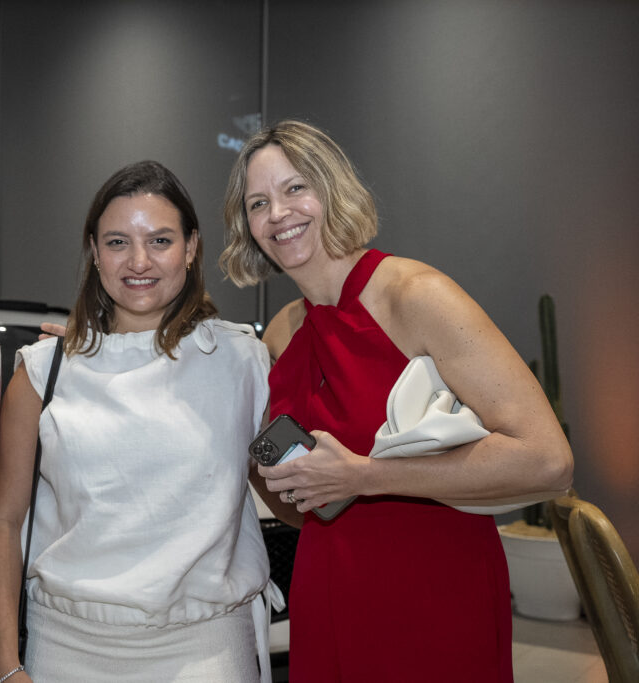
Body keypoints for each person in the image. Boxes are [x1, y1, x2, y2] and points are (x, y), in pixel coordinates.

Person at [220, 120, 574, 682]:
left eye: (295, 188)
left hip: (434, 592)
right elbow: (301, 506)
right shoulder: (283, 334)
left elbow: (548, 461)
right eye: (258, 203)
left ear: (333, 189)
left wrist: (363, 476)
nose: (278, 213)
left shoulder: (417, 295)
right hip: (326, 593)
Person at [0, 160, 273, 683]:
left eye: (160, 241)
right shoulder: (42, 373)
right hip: (64, 651)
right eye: (118, 242)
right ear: (94, 252)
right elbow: (3, 523)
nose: (139, 261)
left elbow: (287, 492)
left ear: (191, 246)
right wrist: (5, 664)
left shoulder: (242, 363)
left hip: (207, 654)